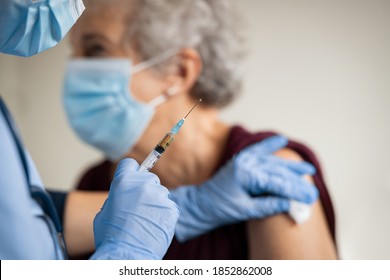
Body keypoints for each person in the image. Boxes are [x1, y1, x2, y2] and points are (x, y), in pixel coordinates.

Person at [0, 0, 320, 260]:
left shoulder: (269, 172)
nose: (75, 68)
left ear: (180, 71)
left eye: (96, 49)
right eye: (75, 52)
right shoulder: (98, 182)